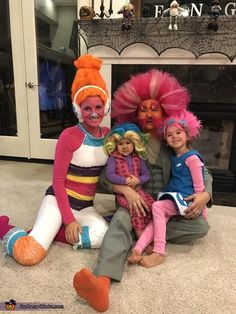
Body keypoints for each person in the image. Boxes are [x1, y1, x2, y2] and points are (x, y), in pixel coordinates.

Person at [73, 69, 212, 312]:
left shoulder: (173, 139)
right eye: (142, 109)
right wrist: (124, 190)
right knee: (119, 224)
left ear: (164, 112)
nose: (148, 113)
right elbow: (105, 177)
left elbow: (202, 170)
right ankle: (101, 283)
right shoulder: (126, 140)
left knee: (200, 226)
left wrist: (204, 195)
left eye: (154, 108)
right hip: (134, 203)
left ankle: (145, 234)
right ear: (134, 113)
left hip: (167, 206)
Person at [0, 54, 110, 266]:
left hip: (85, 205)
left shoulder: (108, 136)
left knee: (104, 236)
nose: (94, 113)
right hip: (60, 201)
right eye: (87, 108)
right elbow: (58, 181)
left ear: (105, 107)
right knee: (28, 255)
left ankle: (54, 233)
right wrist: (69, 220)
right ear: (78, 109)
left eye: (98, 107)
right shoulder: (69, 136)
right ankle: (3, 227)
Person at [128, 110, 207, 267]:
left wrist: (201, 208)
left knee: (158, 207)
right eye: (169, 135)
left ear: (188, 135)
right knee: (157, 220)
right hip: (174, 197)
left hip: (185, 199)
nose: (175, 137)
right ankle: (137, 249)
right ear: (166, 140)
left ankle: (159, 252)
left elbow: (199, 187)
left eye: (178, 132)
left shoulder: (192, 158)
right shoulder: (174, 156)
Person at [104, 122, 154, 237]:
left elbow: (147, 175)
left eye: (128, 143)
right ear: (116, 145)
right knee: (136, 209)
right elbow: (109, 175)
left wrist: (138, 180)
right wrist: (124, 181)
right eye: (121, 144)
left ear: (134, 143)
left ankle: (152, 229)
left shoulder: (138, 158)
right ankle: (140, 234)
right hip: (123, 195)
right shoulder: (113, 158)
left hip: (139, 190)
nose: (125, 146)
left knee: (152, 205)